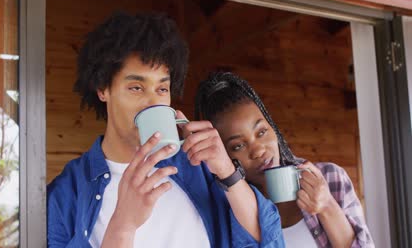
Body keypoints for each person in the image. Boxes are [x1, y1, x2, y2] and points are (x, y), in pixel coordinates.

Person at [47, 12, 284, 248]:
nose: (153, 103)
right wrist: (123, 226)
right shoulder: (68, 192)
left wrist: (227, 171)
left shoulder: (199, 167)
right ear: (103, 89)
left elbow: (268, 240)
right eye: (136, 88)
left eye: (162, 89)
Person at [194, 70, 374, 248]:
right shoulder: (228, 209)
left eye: (262, 132)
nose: (258, 150)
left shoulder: (330, 178)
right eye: (238, 146)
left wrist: (327, 206)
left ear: (273, 128)